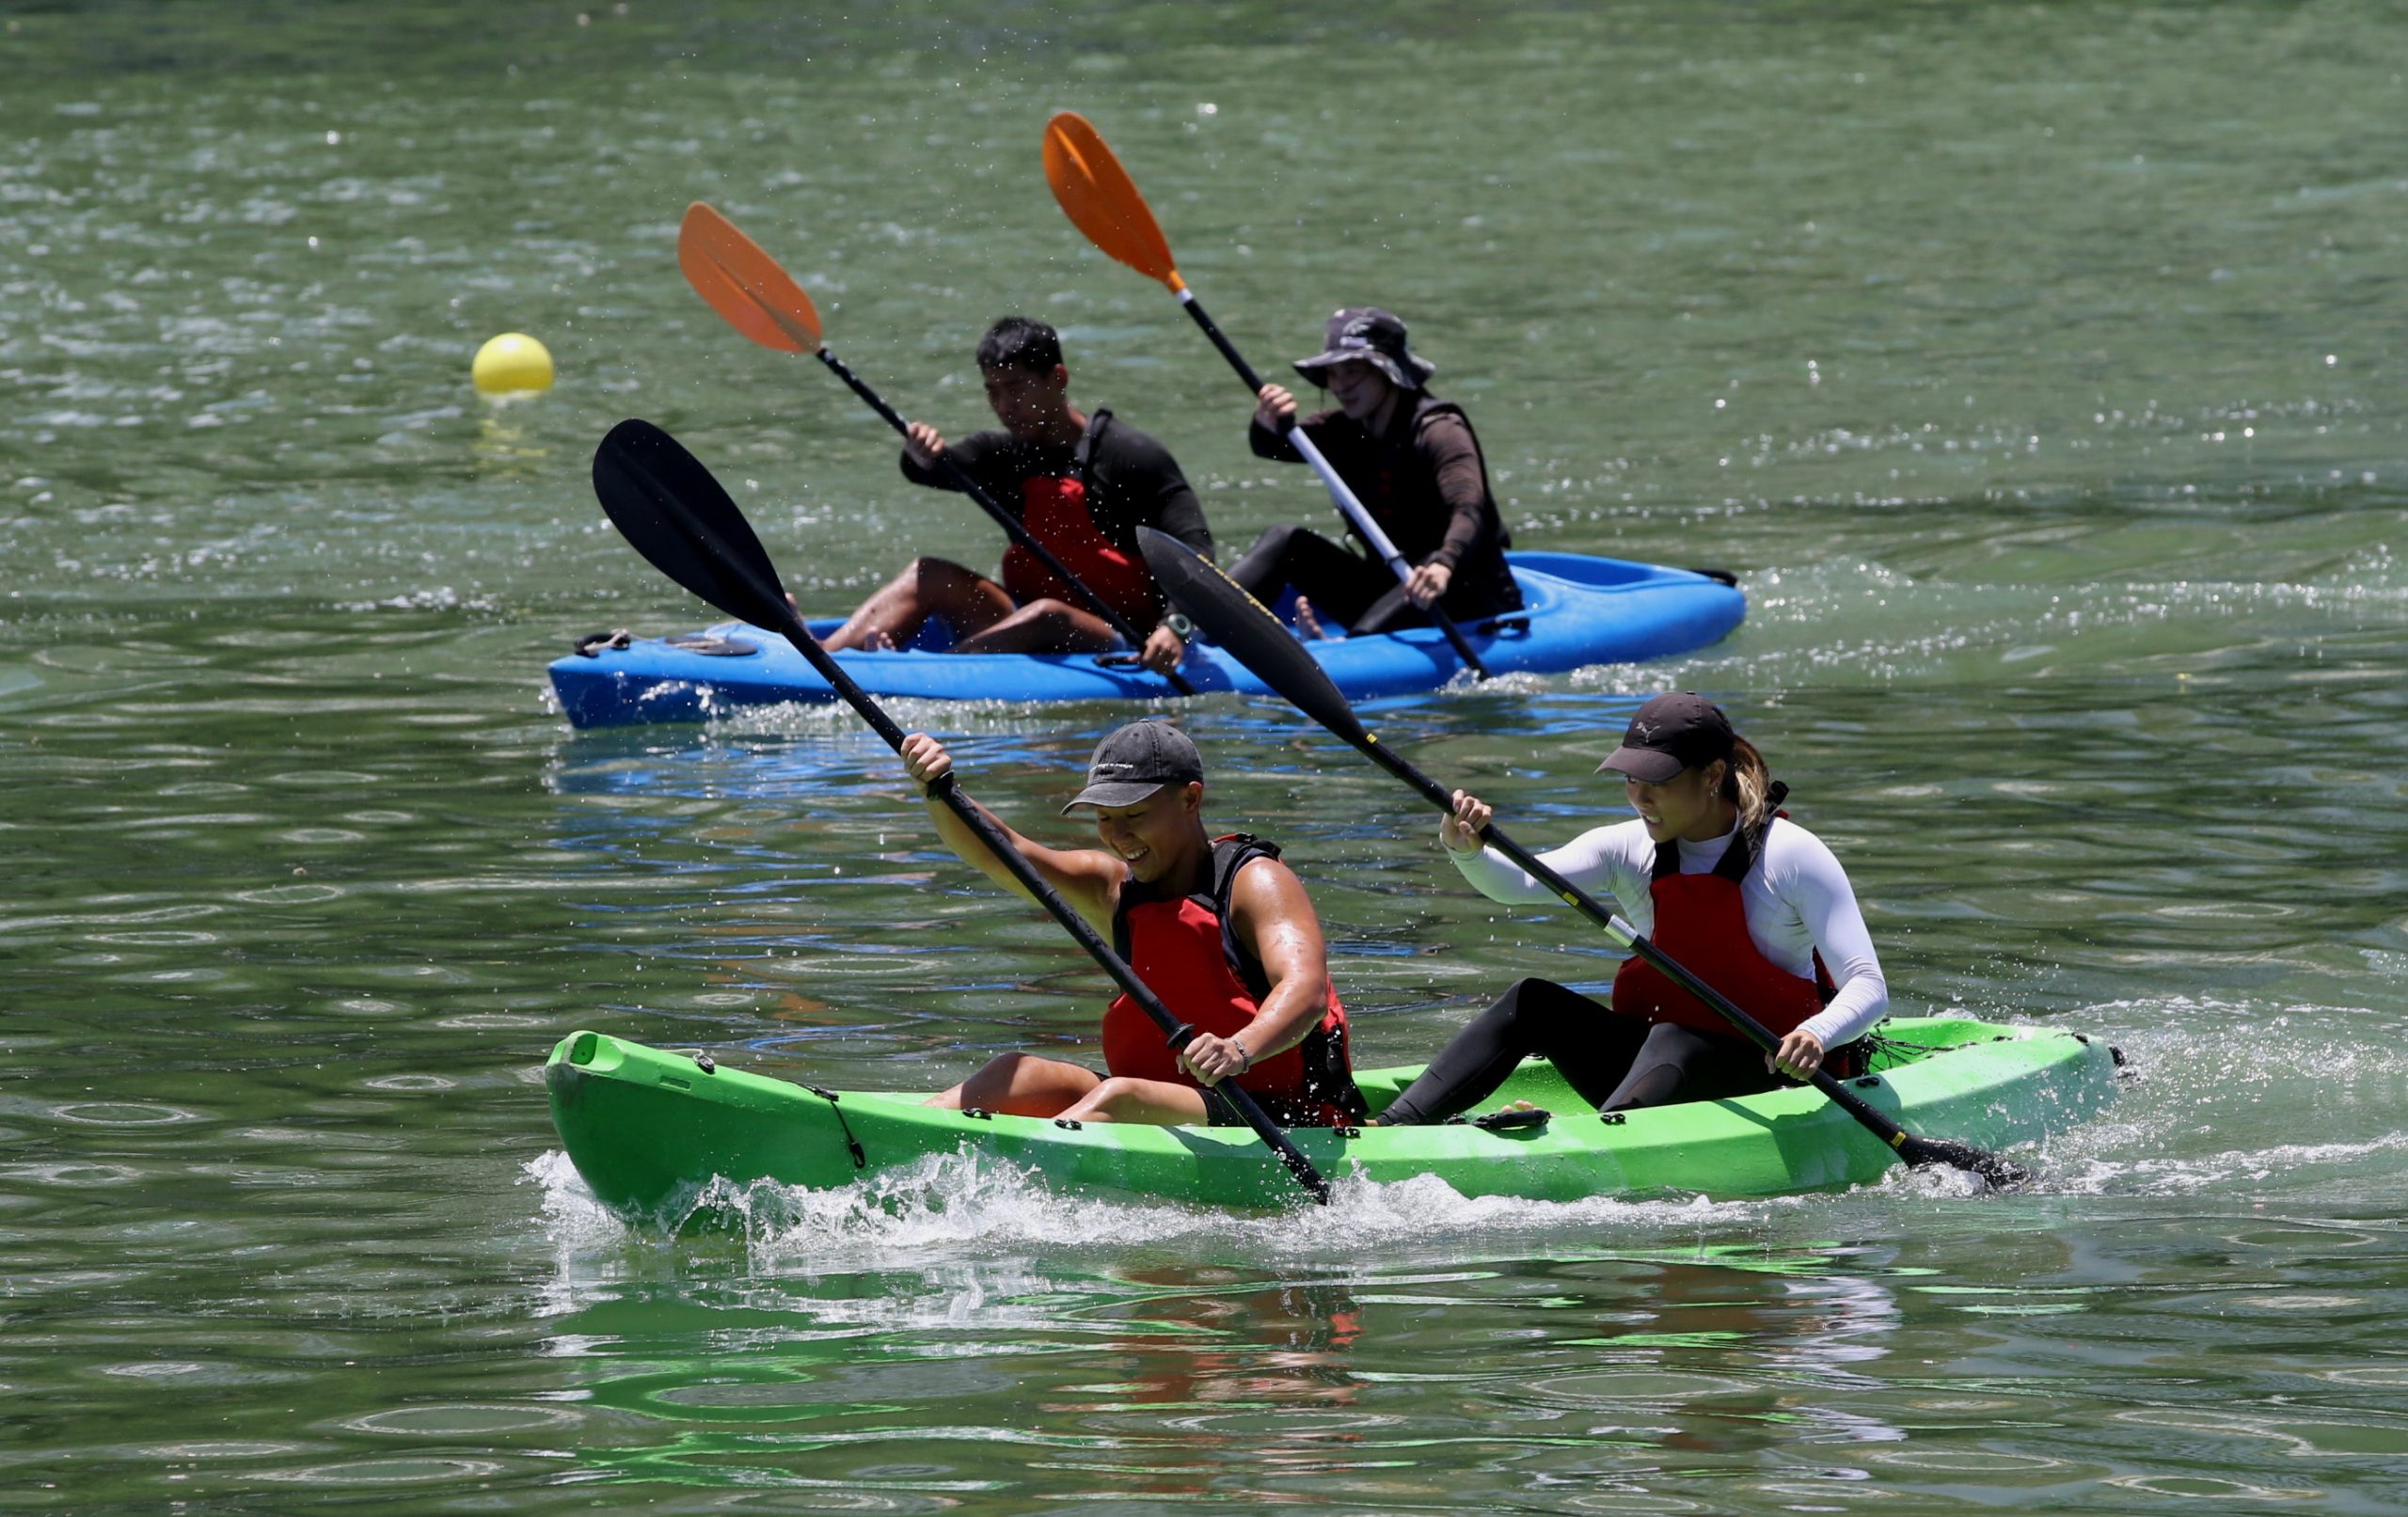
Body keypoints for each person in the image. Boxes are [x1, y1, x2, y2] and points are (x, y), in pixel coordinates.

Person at [1378, 692, 1889, 1125]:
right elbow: (1518, 884)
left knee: (1677, 1037)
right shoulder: (1627, 847)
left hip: (1767, 1076)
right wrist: (1466, 850)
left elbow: (1868, 985)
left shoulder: (1791, 855)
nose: (1638, 797)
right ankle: (1390, 1129)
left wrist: (1815, 1034)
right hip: (1654, 1068)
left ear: (1712, 774)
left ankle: (1603, 1143)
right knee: (1531, 1000)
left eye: (1658, 781)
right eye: (1630, 779)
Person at [897, 719, 1367, 1128]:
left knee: (1122, 1096)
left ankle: (1007, 1181)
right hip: (1159, 1102)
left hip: (1279, 1114)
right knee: (1013, 1073)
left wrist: (1238, 1050)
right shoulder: (1113, 889)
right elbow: (1004, 854)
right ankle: (903, 1135)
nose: (1119, 836)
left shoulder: (1255, 881)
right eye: (1104, 817)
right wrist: (939, 790)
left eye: (1135, 815)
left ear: (1190, 799)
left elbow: (1304, 991)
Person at [821, 317, 1212, 672]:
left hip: (1123, 634)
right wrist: (919, 452)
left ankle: (926, 673)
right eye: (992, 392)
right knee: (930, 573)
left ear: (1058, 378)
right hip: (1023, 620)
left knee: (1047, 614)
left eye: (1016, 389)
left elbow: (1198, 552)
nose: (1004, 407)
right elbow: (928, 470)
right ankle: (825, 656)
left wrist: (1175, 626)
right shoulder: (1001, 454)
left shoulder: (1130, 455)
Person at [1234, 306, 1521, 638]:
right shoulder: (1343, 431)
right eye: (1333, 373)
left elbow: (1471, 508)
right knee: (1286, 541)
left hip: (1460, 594)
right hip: (1389, 586)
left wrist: (1444, 562)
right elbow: (1271, 446)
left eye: (1353, 371)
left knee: (1406, 585)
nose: (1340, 386)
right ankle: (1195, 632)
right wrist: (1266, 418)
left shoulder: (1439, 430)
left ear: (1389, 371)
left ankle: (1343, 650)